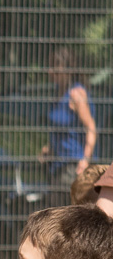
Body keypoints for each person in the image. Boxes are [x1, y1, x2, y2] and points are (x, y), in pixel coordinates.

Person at [44, 47, 97, 191]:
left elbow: (91, 128)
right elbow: (61, 128)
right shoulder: (57, 93)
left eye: (55, 66)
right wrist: (49, 148)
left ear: (67, 69)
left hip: (74, 167)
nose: (50, 71)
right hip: (58, 165)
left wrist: (85, 160)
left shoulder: (76, 94)